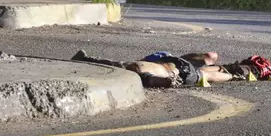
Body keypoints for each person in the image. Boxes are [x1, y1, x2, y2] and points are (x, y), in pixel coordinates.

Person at [71, 50, 233, 88]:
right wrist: (166, 81)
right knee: (205, 73)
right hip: (179, 70)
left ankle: (231, 73)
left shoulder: (129, 66)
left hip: (171, 61)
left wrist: (85, 59)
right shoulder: (137, 71)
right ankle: (233, 74)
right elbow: (151, 79)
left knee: (208, 61)